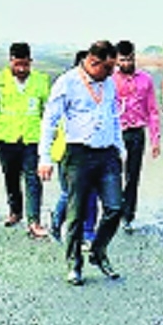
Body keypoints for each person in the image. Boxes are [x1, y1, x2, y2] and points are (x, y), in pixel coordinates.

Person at [38, 41, 124, 286]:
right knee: (75, 214)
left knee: (115, 208)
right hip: (78, 155)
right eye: (108, 68)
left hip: (107, 154)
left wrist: (120, 147)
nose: (112, 73)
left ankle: (98, 251)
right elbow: (50, 122)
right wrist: (45, 158)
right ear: (93, 62)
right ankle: (74, 264)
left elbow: (114, 116)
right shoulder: (67, 83)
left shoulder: (109, 84)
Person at [0, 42, 50, 238]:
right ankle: (15, 211)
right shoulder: (0, 79)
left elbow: (47, 112)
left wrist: (50, 139)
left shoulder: (41, 80)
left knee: (33, 179)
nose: (21, 69)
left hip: (32, 138)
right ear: (10, 61)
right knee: (11, 177)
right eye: (17, 64)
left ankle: (34, 221)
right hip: (6, 138)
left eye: (25, 65)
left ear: (31, 62)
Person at [49, 50, 99, 244]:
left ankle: (88, 232)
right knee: (70, 192)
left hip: (94, 150)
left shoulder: (100, 89)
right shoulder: (66, 87)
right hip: (68, 151)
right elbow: (53, 120)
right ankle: (56, 224)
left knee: (92, 193)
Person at [113, 40, 161, 233]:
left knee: (132, 177)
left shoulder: (145, 80)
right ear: (117, 60)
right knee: (113, 175)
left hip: (136, 134)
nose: (127, 63)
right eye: (123, 60)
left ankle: (128, 215)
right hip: (116, 134)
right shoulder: (110, 80)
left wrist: (155, 140)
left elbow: (152, 111)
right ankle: (113, 212)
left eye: (130, 59)